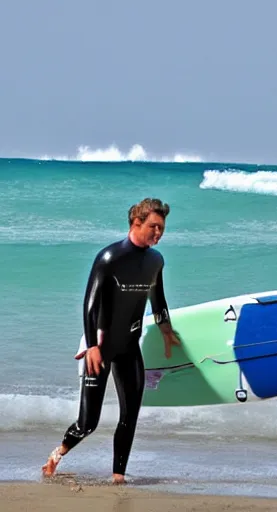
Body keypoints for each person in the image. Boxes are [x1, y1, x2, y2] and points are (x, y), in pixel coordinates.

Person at [42, 198, 181, 484]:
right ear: (136, 223)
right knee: (88, 423)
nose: (159, 233)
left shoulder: (156, 261)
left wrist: (166, 329)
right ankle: (57, 454)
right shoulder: (109, 258)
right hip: (100, 348)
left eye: (162, 228)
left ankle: (118, 477)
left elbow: (158, 298)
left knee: (130, 415)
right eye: (154, 226)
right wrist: (92, 345)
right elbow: (90, 304)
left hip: (129, 348)